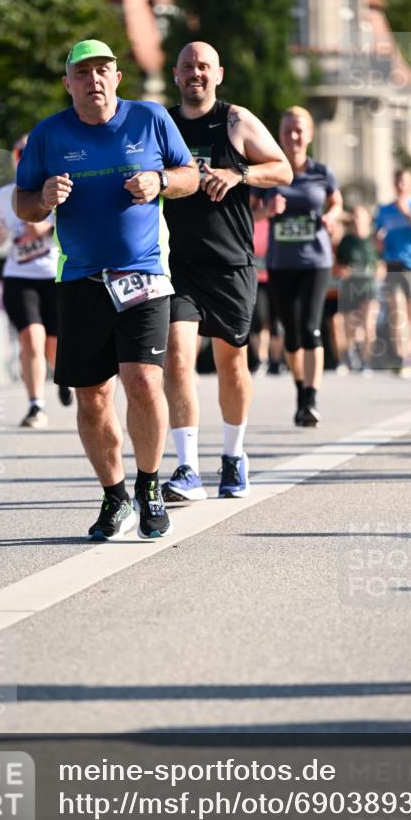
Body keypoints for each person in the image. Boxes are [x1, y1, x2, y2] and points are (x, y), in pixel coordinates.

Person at [15, 38, 198, 539]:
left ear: (117, 77)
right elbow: (22, 202)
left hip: (144, 275)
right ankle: (115, 496)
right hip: (81, 280)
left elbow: (190, 176)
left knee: (142, 381)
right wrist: (43, 199)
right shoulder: (49, 134)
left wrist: (159, 182)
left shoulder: (151, 119)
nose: (94, 80)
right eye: (83, 72)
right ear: (68, 82)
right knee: (92, 396)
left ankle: (151, 486)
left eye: (103, 70)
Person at [161, 42, 292, 503]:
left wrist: (239, 175)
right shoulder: (164, 124)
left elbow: (283, 169)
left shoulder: (235, 120)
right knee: (177, 356)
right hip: (177, 264)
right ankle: (186, 467)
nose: (195, 73)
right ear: (175, 75)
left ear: (218, 73)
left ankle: (234, 455)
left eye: (203, 67)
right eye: (187, 67)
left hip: (231, 262)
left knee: (231, 362)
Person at [252, 106, 342, 424]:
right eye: (288, 129)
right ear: (279, 134)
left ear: (310, 134)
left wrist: (332, 216)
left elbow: (337, 201)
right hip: (280, 263)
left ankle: (311, 399)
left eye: (299, 129)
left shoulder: (322, 172)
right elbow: (249, 214)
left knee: (310, 328)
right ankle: (300, 389)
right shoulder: (269, 172)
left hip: (316, 262)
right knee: (290, 334)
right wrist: (267, 212)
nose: (293, 136)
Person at [0, 134, 72, 428]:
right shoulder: (5, 195)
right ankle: (36, 405)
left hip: (54, 275)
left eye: (29, 151)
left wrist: (44, 230)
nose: (23, 156)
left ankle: (62, 377)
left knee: (54, 344)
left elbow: (72, 225)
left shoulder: (58, 187)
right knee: (31, 339)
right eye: (19, 151)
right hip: (19, 277)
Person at [375, 169, 411, 378]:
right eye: (398, 181)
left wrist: (408, 213)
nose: (401, 185)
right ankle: (403, 357)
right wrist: (378, 240)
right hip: (393, 264)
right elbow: (378, 241)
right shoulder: (384, 210)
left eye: (404, 182)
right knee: (397, 313)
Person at [335, 205, 381, 375]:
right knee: (350, 327)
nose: (356, 220)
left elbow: (381, 263)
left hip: (369, 287)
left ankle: (366, 362)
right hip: (350, 288)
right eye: (354, 216)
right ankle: (350, 356)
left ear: (367, 219)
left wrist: (380, 270)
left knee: (369, 325)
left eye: (360, 216)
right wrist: (343, 271)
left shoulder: (373, 241)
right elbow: (338, 266)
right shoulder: (346, 241)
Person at [249, 215, 284, 375]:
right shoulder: (250, 218)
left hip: (276, 276)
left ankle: (276, 362)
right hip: (257, 279)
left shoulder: (276, 220)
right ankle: (261, 360)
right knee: (260, 320)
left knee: (276, 322)